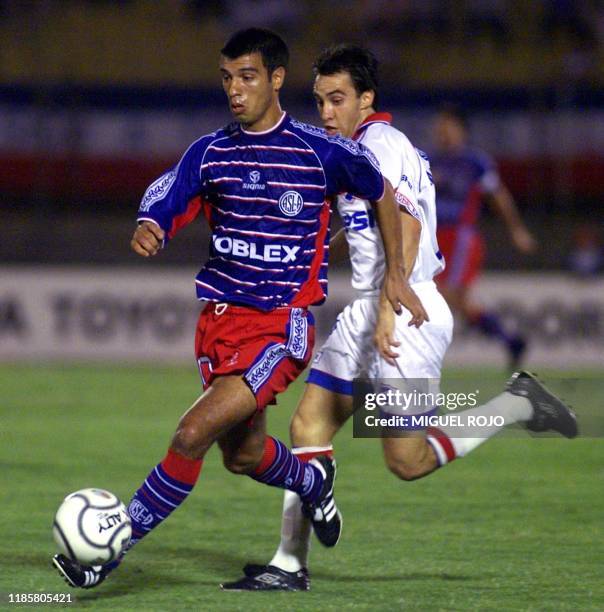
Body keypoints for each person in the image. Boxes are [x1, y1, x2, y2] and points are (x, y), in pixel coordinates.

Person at [52, 28, 429, 590]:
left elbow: (383, 193)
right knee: (244, 454)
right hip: (218, 325)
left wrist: (396, 273)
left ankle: (109, 546)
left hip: (280, 326)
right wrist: (151, 224)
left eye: (247, 77)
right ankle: (311, 482)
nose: (235, 90)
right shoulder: (211, 152)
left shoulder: (320, 150)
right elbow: (168, 192)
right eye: (227, 78)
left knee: (190, 434)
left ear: (276, 79)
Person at [221, 44, 578, 592]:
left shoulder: (382, 146)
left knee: (406, 461)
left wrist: (388, 308)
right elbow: (366, 229)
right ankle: (289, 564)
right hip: (370, 307)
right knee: (308, 425)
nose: (328, 112)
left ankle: (516, 403)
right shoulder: (357, 147)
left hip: (408, 310)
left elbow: (406, 229)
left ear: (367, 99)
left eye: (338, 99)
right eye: (320, 101)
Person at [430, 106, 537, 368]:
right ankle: (511, 341)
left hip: (460, 239)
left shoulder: (475, 162)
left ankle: (423, 357)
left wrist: (516, 230)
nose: (443, 133)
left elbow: (498, 196)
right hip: (432, 237)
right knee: (454, 300)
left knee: (446, 297)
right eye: (440, 128)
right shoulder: (428, 160)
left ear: (461, 131)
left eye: (448, 127)